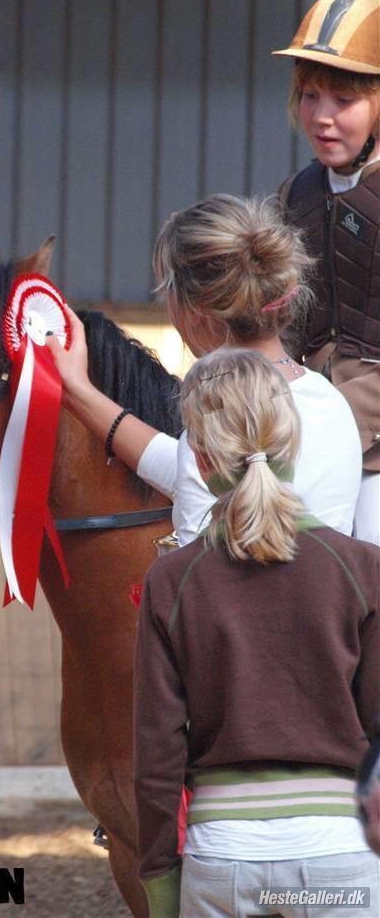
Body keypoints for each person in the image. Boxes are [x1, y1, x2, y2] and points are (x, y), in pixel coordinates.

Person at [133, 348, 380, 918]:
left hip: (223, 859)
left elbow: (157, 753)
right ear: (293, 441)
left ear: (197, 456)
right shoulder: (363, 569)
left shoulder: (172, 580)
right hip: (340, 850)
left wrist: (158, 877)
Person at [46, 194, 362, 545]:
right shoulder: (329, 401)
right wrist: (79, 391)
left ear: (194, 310)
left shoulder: (217, 415)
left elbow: (199, 578)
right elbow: (191, 471)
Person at [273, 0, 380, 544]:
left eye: (344, 100)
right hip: (303, 430)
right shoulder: (296, 195)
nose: (322, 117)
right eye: (311, 96)